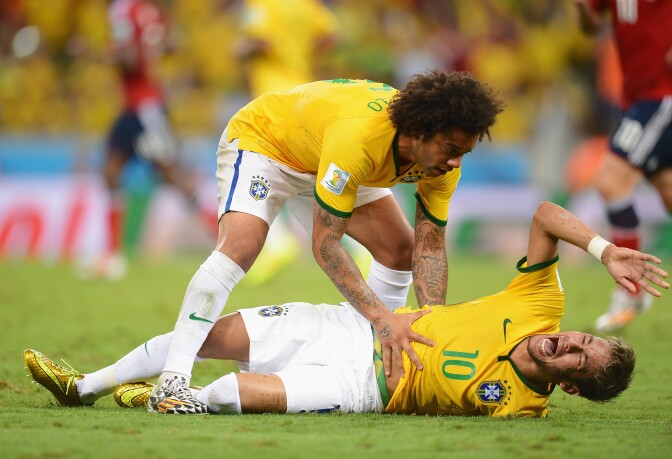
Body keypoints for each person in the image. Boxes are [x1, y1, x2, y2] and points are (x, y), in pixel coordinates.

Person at [23, 201, 669, 416]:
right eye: (583, 336)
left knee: (227, 395)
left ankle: (161, 399)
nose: (570, 342)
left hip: (362, 383)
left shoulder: (522, 408)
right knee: (205, 336)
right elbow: (545, 217)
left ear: (570, 386)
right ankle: (83, 385)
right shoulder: (540, 304)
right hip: (355, 326)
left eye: (580, 357)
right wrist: (605, 248)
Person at [138, 70, 505, 414]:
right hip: (268, 143)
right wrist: (383, 319)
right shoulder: (360, 138)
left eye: (464, 152)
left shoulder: (439, 163)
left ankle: (371, 354)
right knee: (242, 247)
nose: (456, 162)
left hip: (324, 157)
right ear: (421, 130)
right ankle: (172, 382)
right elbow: (325, 245)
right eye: (450, 148)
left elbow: (429, 247)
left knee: (401, 250)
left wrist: (433, 326)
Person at [81, 0, 215, 280]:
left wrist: (94, 55)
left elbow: (129, 59)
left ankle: (225, 241)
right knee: (111, 172)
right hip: (136, 107)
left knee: (171, 174)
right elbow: (171, 43)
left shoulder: (123, 9)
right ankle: (113, 255)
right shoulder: (149, 9)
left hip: (144, 109)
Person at [573, 0, 672, 332]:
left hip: (662, 96)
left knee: (610, 182)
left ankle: (632, 289)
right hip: (637, 97)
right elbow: (590, 26)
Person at [232, 0, 338, 286]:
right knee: (305, 173)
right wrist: (299, 53)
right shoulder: (308, 6)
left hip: (272, 97)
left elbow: (258, 42)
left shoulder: (262, 5)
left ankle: (279, 244)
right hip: (302, 92)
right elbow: (330, 35)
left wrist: (240, 50)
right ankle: (358, 249)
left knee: (249, 164)